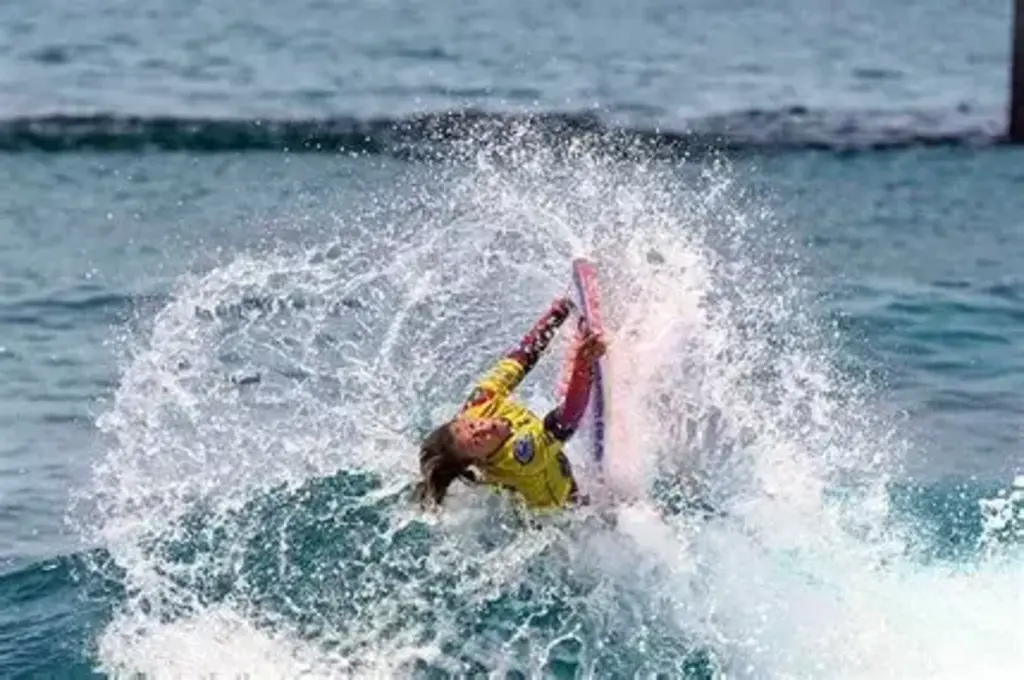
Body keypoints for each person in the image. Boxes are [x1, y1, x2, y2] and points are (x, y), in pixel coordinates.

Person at [414, 296, 606, 511]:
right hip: (562, 509)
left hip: (544, 461)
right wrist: (583, 365)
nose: (484, 427)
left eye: (472, 426)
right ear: (481, 459)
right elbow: (566, 421)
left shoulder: (479, 404)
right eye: (478, 441)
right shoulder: (520, 455)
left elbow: (523, 357)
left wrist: (557, 313)